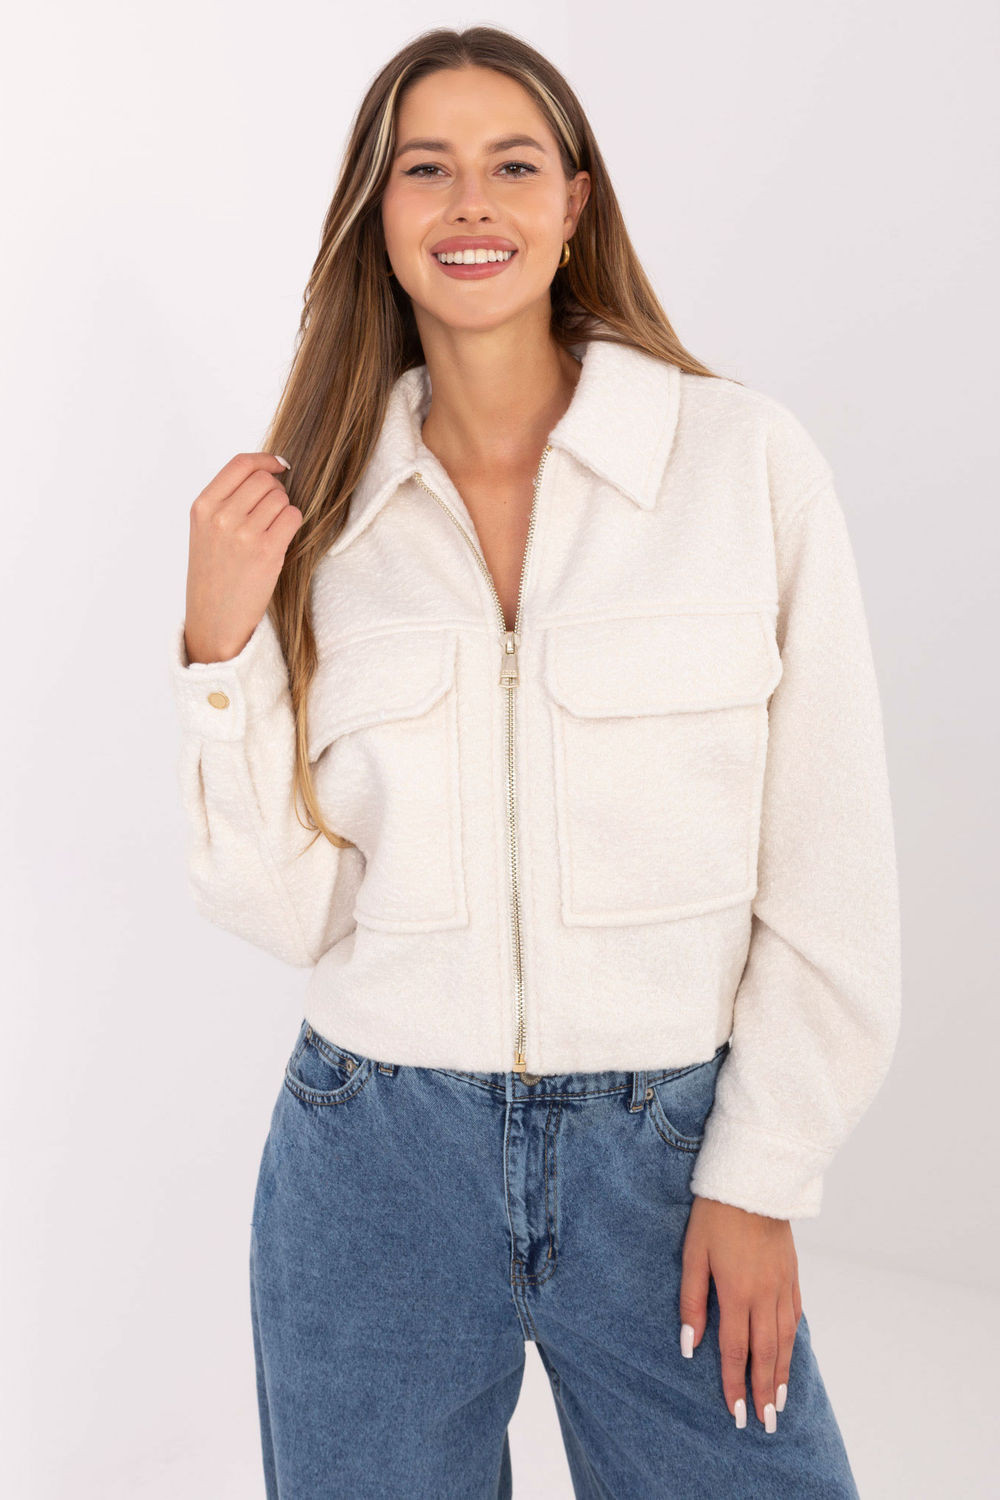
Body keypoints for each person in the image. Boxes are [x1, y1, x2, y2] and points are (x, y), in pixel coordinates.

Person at [168, 25, 900, 1500]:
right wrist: (219, 648)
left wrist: (762, 1175)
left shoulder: (740, 464)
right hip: (373, 1162)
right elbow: (289, 911)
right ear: (378, 217)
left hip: (668, 1158)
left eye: (511, 166)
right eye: (424, 170)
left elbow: (831, 860)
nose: (470, 204)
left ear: (576, 203)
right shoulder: (317, 516)